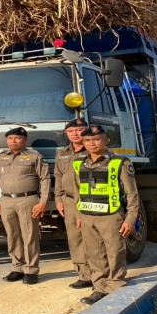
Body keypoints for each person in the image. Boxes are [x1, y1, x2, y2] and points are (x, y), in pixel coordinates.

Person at [75, 125, 140, 305]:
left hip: (111, 215)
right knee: (94, 254)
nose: (91, 143)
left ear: (106, 140)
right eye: (87, 140)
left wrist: (130, 218)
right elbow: (77, 191)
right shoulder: (79, 163)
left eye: (96, 139)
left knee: (115, 253)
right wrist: (79, 215)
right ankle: (99, 289)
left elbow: (132, 194)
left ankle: (115, 289)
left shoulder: (120, 162)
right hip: (88, 215)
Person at [0, 127, 50, 285]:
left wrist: (42, 202)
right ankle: (17, 268)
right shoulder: (0, 157)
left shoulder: (34, 156)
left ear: (25, 140)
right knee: (13, 235)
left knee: (30, 236)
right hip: (7, 201)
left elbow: (45, 179)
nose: (13, 141)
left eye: (17, 138)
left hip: (28, 200)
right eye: (10, 138)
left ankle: (31, 270)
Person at [54, 117, 93, 289]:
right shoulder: (62, 153)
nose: (75, 133)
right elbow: (58, 176)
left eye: (79, 130)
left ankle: (99, 274)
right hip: (68, 200)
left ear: (86, 130)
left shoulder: (93, 150)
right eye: (71, 131)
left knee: (92, 238)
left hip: (89, 199)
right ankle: (84, 275)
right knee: (75, 238)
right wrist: (58, 198)